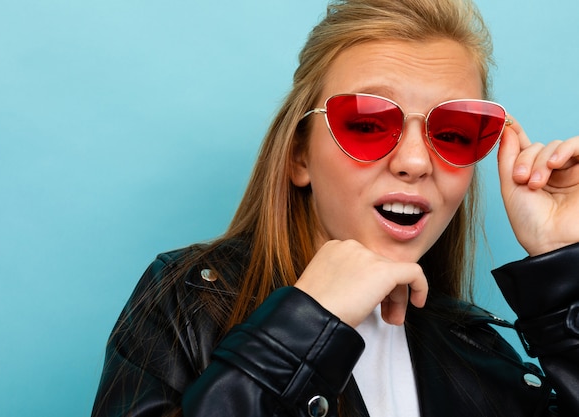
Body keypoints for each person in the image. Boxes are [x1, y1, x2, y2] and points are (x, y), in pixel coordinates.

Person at [91, 0, 579, 415]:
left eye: (452, 133)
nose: (414, 162)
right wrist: (307, 325)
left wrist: (564, 274)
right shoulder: (186, 301)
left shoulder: (482, 357)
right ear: (300, 155)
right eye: (367, 124)